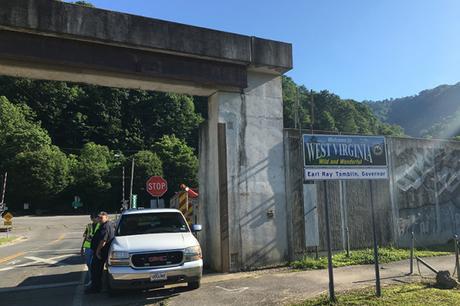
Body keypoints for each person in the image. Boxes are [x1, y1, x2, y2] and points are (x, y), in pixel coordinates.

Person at [85, 211, 115, 294]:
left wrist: (98, 252)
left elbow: (103, 240)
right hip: (102, 251)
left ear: (106, 217)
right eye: (99, 217)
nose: (99, 219)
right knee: (97, 270)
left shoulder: (106, 226)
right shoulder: (106, 225)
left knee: (96, 270)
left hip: (101, 252)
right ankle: (98, 286)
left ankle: (96, 288)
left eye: (101, 218)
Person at [80, 213, 100, 285]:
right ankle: (91, 279)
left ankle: (95, 279)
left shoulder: (100, 225)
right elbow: (85, 237)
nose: (95, 219)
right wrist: (82, 248)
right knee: (89, 264)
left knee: (94, 264)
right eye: (94, 218)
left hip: (96, 247)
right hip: (88, 247)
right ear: (91, 219)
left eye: (96, 218)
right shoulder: (89, 226)